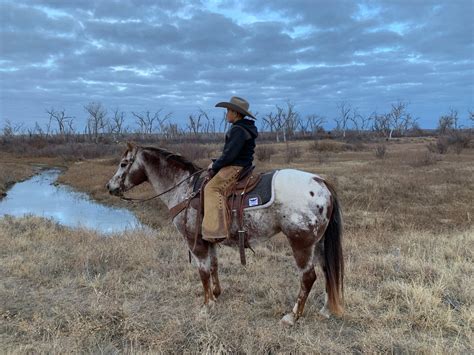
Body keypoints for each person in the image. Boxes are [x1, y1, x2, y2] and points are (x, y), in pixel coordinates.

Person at [202, 96, 258, 242]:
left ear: (235, 113)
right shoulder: (244, 127)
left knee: (212, 189)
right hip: (241, 164)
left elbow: (229, 156)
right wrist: (216, 162)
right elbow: (231, 153)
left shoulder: (238, 129)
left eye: (228, 111)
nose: (226, 113)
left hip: (235, 167)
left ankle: (216, 232)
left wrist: (214, 165)